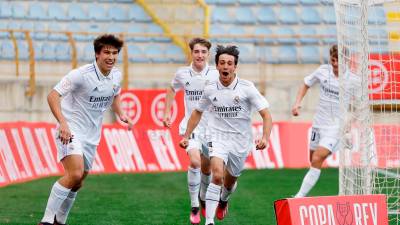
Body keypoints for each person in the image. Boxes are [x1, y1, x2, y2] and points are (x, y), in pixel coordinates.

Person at [38, 34, 134, 225]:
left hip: (92, 136)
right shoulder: (80, 75)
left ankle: (60, 221)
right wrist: (63, 123)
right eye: (106, 52)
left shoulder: (116, 75)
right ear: (97, 54)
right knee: (74, 174)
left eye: (115, 53)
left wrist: (121, 113)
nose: (111, 57)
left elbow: (115, 95)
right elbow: (52, 96)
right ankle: (46, 221)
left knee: (78, 181)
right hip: (71, 130)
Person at [179, 45, 273, 225]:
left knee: (229, 183)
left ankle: (224, 200)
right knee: (216, 176)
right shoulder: (210, 88)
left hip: (240, 141)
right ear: (217, 66)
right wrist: (187, 135)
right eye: (222, 63)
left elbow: (266, 115)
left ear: (235, 67)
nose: (225, 67)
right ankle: (209, 221)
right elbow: (197, 112)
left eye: (230, 63)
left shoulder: (247, 88)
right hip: (217, 137)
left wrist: (265, 137)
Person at [163, 37, 219, 225]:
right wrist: (167, 112)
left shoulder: (216, 73)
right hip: (190, 126)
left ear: (208, 54)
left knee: (207, 168)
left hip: (211, 129)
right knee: (195, 161)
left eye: (203, 52)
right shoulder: (182, 74)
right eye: (197, 51)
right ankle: (195, 204)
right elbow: (172, 89)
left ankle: (203, 198)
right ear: (191, 53)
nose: (200, 55)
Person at [292, 44, 342, 198]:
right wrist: (297, 103)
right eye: (333, 60)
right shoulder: (323, 71)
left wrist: (350, 120)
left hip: (335, 126)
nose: (335, 64)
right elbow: (306, 83)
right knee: (312, 159)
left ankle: (299, 196)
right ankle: (340, 144)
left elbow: (360, 103)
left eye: (338, 61)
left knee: (317, 158)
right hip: (318, 123)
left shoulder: (352, 79)